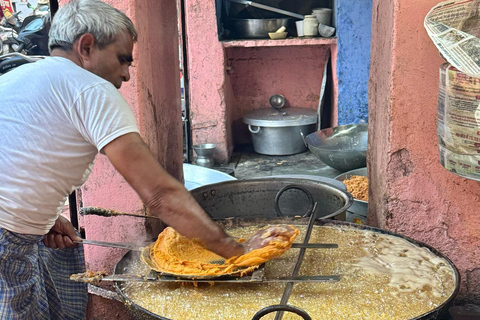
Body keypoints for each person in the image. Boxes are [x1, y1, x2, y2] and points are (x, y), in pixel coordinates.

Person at [0, 0, 286, 319]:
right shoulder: (91, 88)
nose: (124, 75)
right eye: (122, 60)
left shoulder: (21, 77)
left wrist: (45, 219)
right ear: (86, 46)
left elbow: (18, 156)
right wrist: (238, 250)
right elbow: (161, 195)